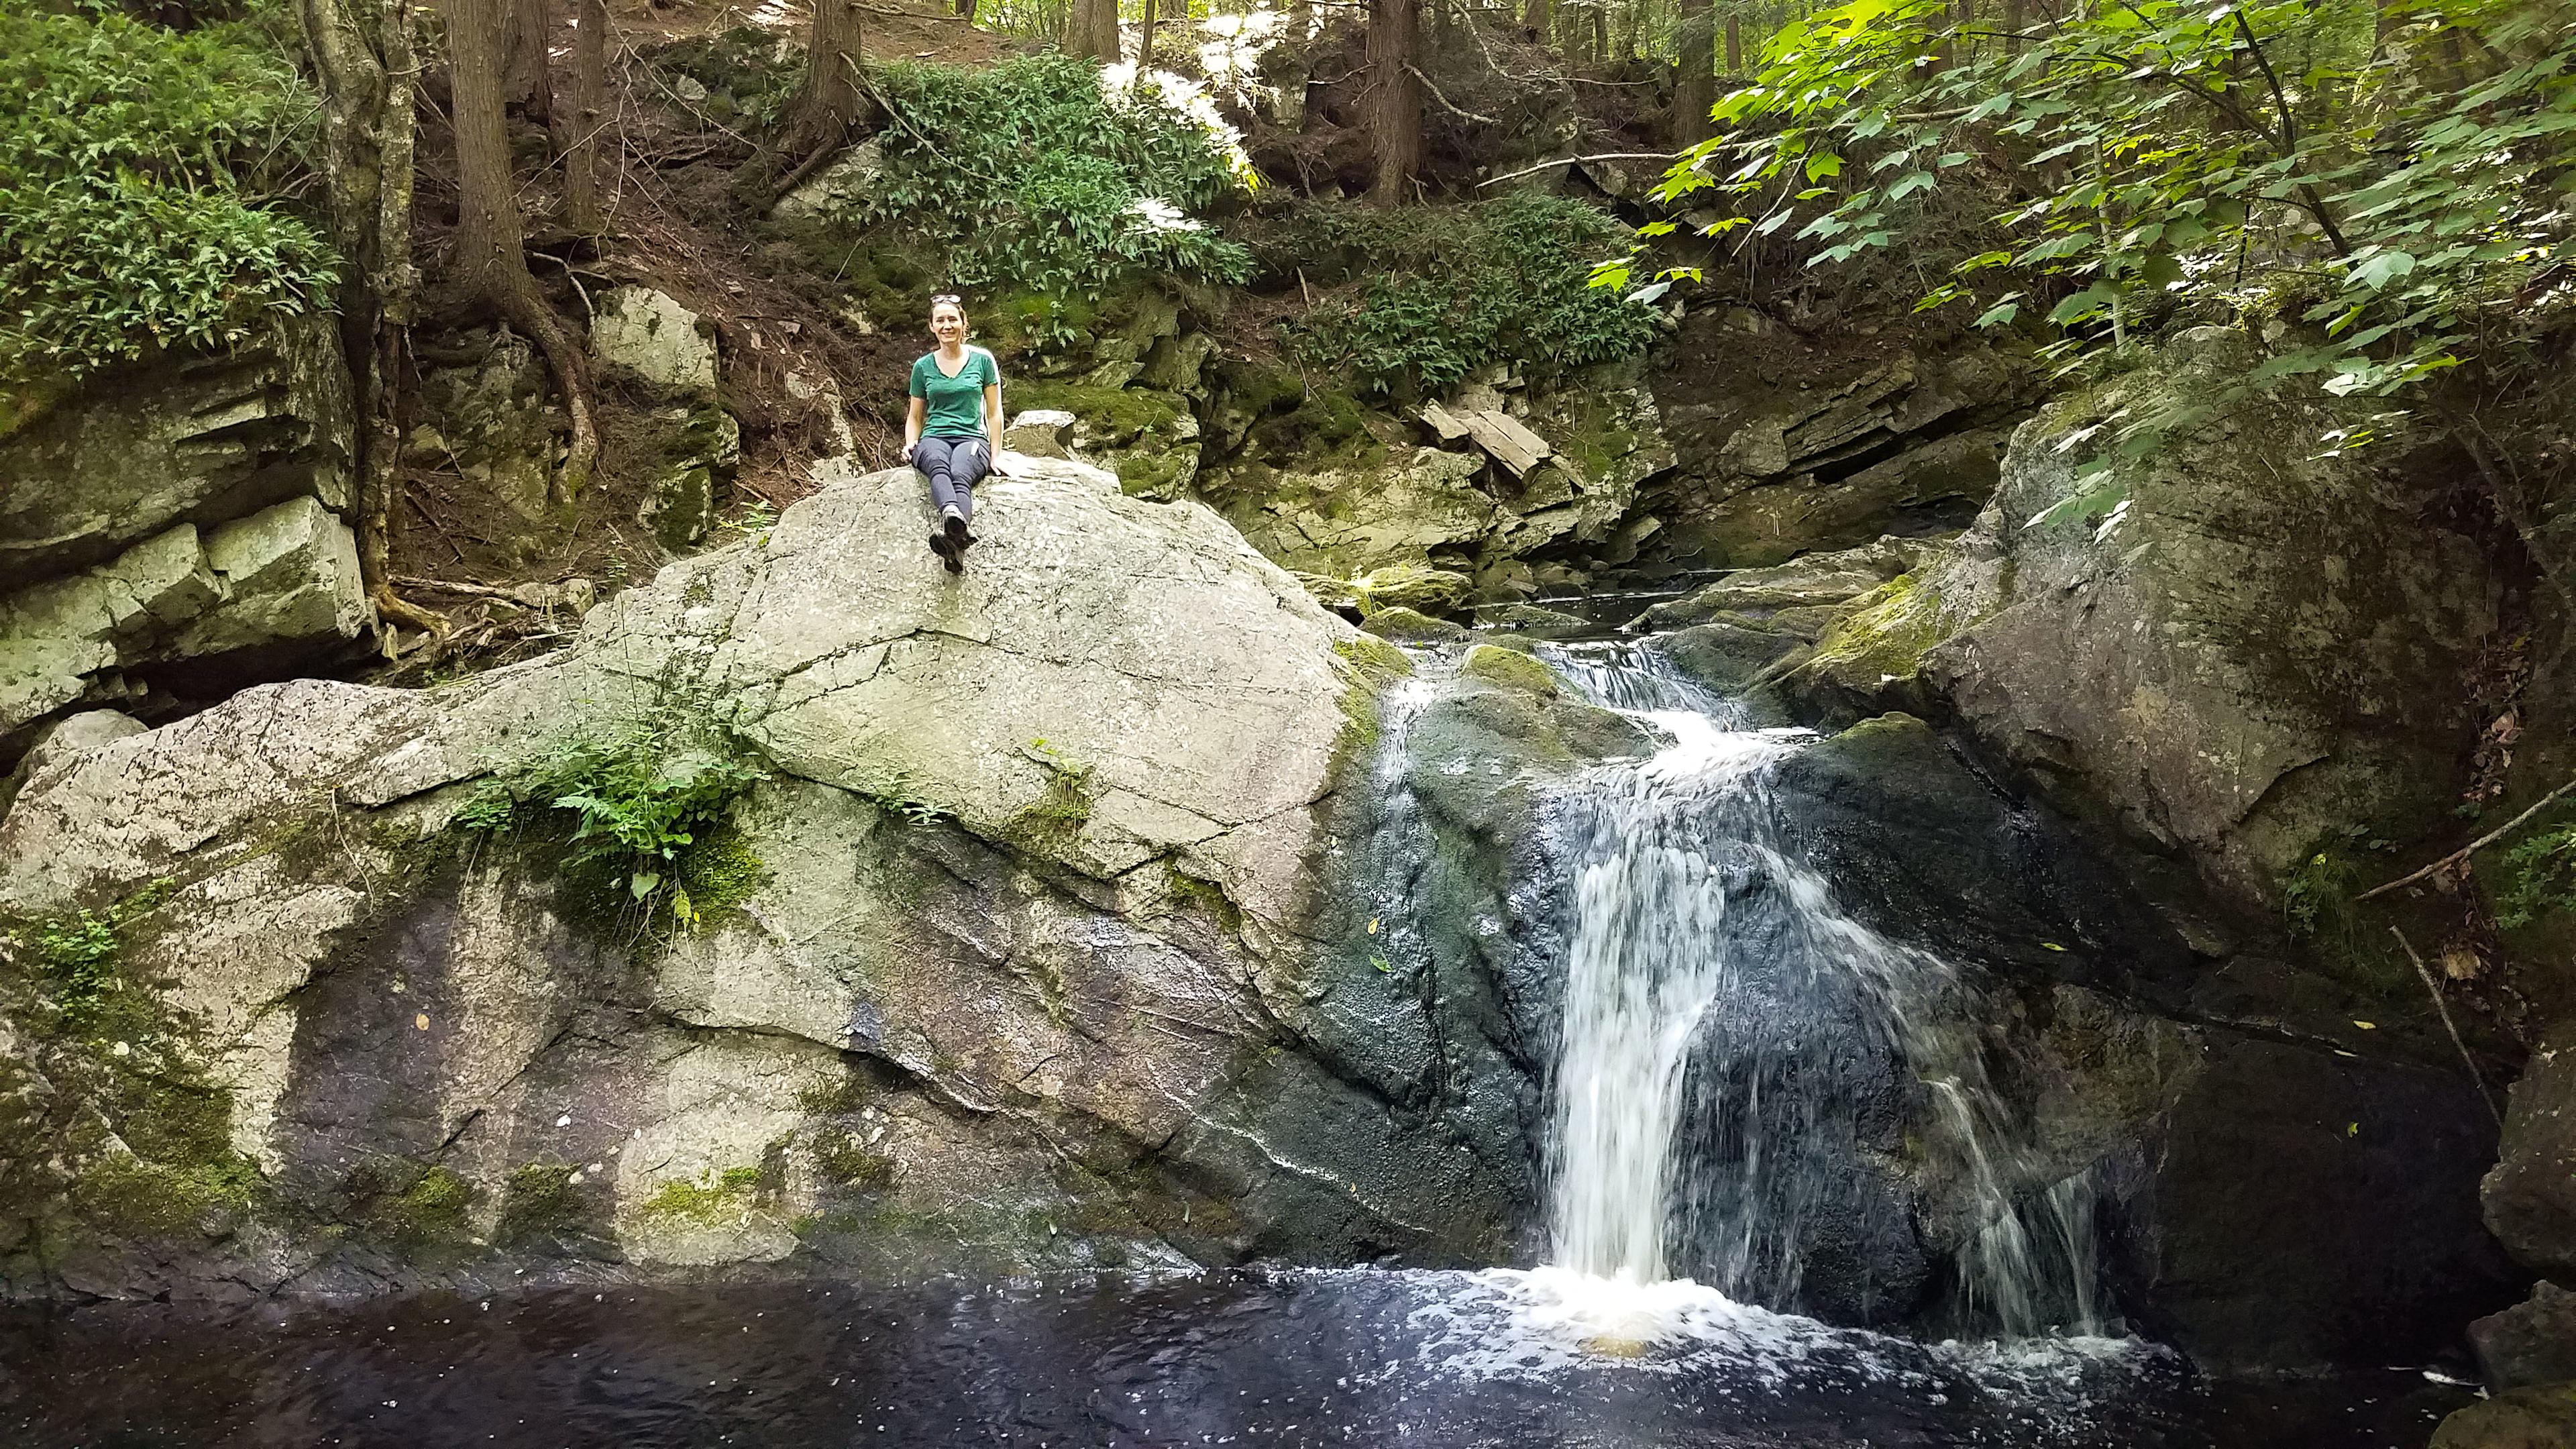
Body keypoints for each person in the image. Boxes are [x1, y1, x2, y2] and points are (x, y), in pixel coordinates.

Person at [904, 292, 1003, 574]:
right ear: (932, 326)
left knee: (960, 473)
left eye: (952, 319)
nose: (947, 325)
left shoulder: (982, 361)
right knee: (937, 464)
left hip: (972, 438)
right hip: (934, 437)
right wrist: (911, 443)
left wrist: (996, 455)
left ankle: (952, 539)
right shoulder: (922, 367)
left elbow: (994, 412)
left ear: (963, 323)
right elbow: (915, 416)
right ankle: (953, 518)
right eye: (940, 321)